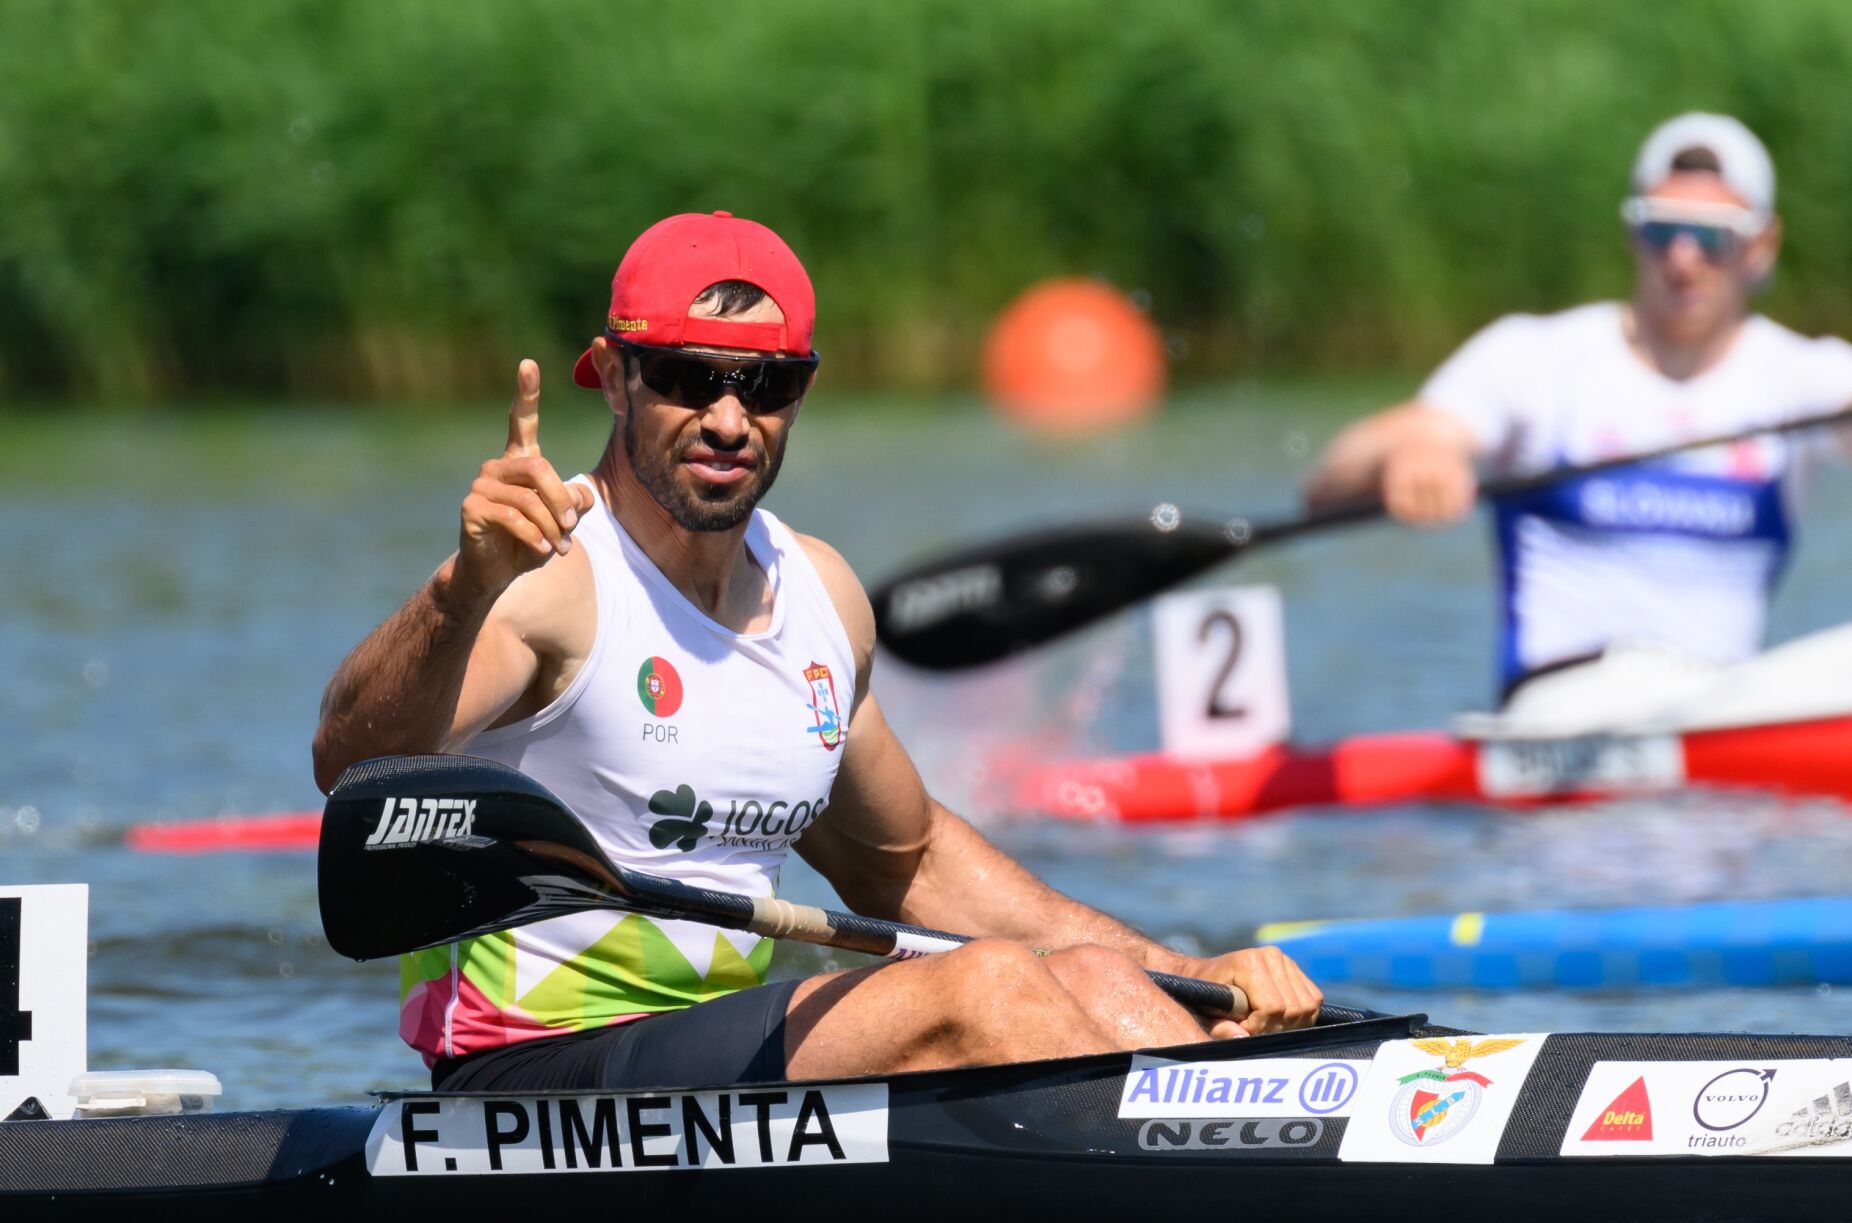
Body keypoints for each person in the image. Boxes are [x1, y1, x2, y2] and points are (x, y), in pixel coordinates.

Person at [313, 210, 1321, 1093]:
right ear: (614, 379)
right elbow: (350, 762)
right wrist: (463, 587)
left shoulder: (821, 597)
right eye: (686, 377)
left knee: (1093, 978)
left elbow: (910, 862)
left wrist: (1191, 976)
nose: (726, 418)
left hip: (711, 1069)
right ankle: (1195, 1175)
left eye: (765, 384)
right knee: (989, 983)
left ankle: (1233, 1143)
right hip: (535, 1069)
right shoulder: (552, 579)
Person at [1303, 113, 1852, 705]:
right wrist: (1420, 455)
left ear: (1761, 245)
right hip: (1557, 721)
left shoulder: (1804, 375)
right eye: (1662, 232)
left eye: (1713, 236)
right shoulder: (1539, 357)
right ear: (1631, 235)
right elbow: (1330, 479)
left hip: (1724, 726)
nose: (1683, 259)